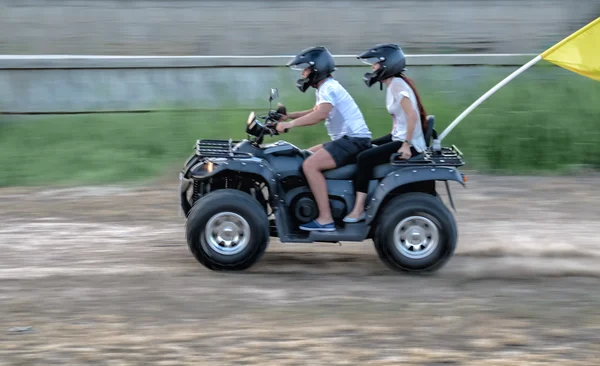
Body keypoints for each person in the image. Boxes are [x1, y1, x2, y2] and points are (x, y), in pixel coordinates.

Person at [275, 46, 372, 232]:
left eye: (306, 69)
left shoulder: (328, 87)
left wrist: (290, 126)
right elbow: (315, 111)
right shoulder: (326, 87)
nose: (303, 73)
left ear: (317, 68)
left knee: (310, 165)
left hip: (353, 141)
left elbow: (320, 115)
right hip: (347, 140)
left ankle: (325, 218)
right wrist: (289, 116)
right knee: (303, 155)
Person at [343, 43, 429, 223]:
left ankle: (359, 210)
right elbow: (401, 120)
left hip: (409, 143)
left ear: (387, 65)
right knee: (366, 147)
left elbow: (412, 115)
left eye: (376, 64)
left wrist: (405, 145)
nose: (373, 68)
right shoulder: (395, 84)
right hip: (400, 137)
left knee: (363, 158)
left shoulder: (397, 85)